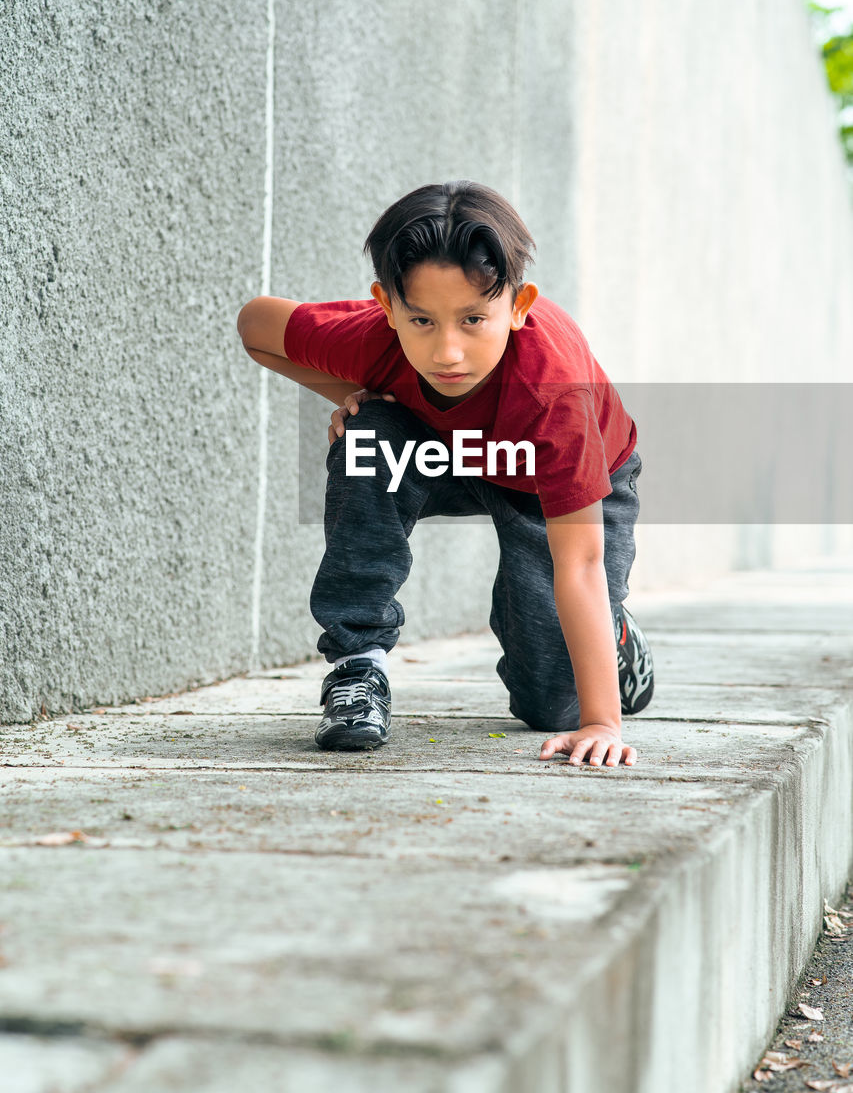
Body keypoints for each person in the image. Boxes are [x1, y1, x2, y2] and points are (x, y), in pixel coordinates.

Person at [236, 180, 654, 768]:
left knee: (551, 704)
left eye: (473, 319)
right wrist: (357, 393)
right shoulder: (375, 340)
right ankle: (358, 666)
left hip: (547, 477)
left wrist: (602, 722)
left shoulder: (552, 395)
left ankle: (612, 633)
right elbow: (257, 327)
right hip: (446, 451)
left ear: (519, 306)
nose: (447, 352)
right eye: (423, 321)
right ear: (387, 307)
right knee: (368, 435)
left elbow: (580, 562)